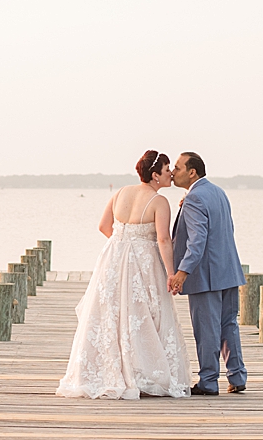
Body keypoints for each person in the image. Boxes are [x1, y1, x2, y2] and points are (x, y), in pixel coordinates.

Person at [56, 151, 191, 399]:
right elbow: (163, 239)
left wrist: (123, 244)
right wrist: (171, 273)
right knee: (144, 313)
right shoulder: (159, 202)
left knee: (111, 314)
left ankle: (106, 371)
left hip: (113, 259)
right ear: (155, 175)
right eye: (166, 169)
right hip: (144, 262)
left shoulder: (120, 193)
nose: (170, 173)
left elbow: (103, 226)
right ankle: (144, 373)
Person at [168, 152, 247, 395]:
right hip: (228, 269)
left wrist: (182, 271)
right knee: (228, 325)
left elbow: (197, 241)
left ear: (192, 172)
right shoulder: (217, 192)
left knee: (207, 329)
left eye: (178, 168)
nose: (173, 172)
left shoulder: (194, 199)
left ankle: (209, 381)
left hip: (206, 275)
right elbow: (226, 229)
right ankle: (237, 376)